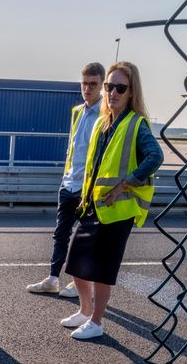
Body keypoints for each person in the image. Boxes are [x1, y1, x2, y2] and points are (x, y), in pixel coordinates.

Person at [62, 61, 163, 340]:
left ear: (131, 92)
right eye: (109, 86)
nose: (112, 93)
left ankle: (96, 321)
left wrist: (127, 183)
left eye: (120, 88)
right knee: (76, 263)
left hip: (118, 210)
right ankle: (84, 311)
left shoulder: (135, 124)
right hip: (94, 204)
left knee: (102, 270)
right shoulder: (103, 123)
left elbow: (155, 157)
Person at [27, 62, 105, 298]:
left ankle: (79, 283)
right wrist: (65, 178)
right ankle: (52, 279)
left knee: (85, 239)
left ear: (102, 85)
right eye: (84, 83)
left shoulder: (106, 114)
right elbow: (74, 148)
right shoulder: (77, 112)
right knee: (60, 234)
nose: (87, 88)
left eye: (93, 84)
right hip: (69, 183)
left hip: (88, 188)